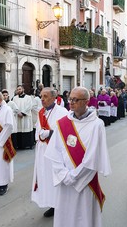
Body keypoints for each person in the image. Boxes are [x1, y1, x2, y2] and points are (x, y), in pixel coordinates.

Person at [44, 86, 111, 227]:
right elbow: (54, 153)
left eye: (75, 99)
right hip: (64, 182)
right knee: (65, 216)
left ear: (86, 101)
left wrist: (73, 177)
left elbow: (93, 157)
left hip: (84, 183)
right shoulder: (62, 123)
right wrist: (63, 175)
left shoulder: (96, 125)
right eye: (70, 99)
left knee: (83, 218)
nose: (71, 102)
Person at [31, 88, 68, 217]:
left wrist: (50, 133)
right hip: (42, 150)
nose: (42, 99)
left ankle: (61, 204)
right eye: (41, 96)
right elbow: (38, 129)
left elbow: (66, 133)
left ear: (54, 97)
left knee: (56, 178)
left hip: (56, 152)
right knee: (45, 177)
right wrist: (39, 136)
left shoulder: (62, 112)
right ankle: (52, 203)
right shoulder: (41, 112)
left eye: (45, 96)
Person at [12, 85, 34, 149]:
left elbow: (29, 106)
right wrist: (18, 112)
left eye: (20, 89)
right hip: (18, 116)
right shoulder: (14, 98)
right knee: (19, 130)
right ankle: (19, 145)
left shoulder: (28, 97)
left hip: (25, 117)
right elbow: (14, 106)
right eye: (18, 89)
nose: (19, 90)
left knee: (26, 129)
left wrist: (23, 113)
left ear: (23, 89)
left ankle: (27, 145)